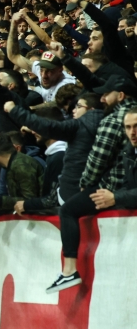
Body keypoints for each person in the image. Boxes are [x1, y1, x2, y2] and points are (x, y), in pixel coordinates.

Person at [47, 76, 137, 293]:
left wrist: (114, 196)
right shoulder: (128, 150)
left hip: (116, 193)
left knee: (68, 209)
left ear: (121, 96)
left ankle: (69, 270)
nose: (132, 132)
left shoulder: (110, 121)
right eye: (128, 128)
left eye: (135, 126)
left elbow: (98, 160)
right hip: (119, 192)